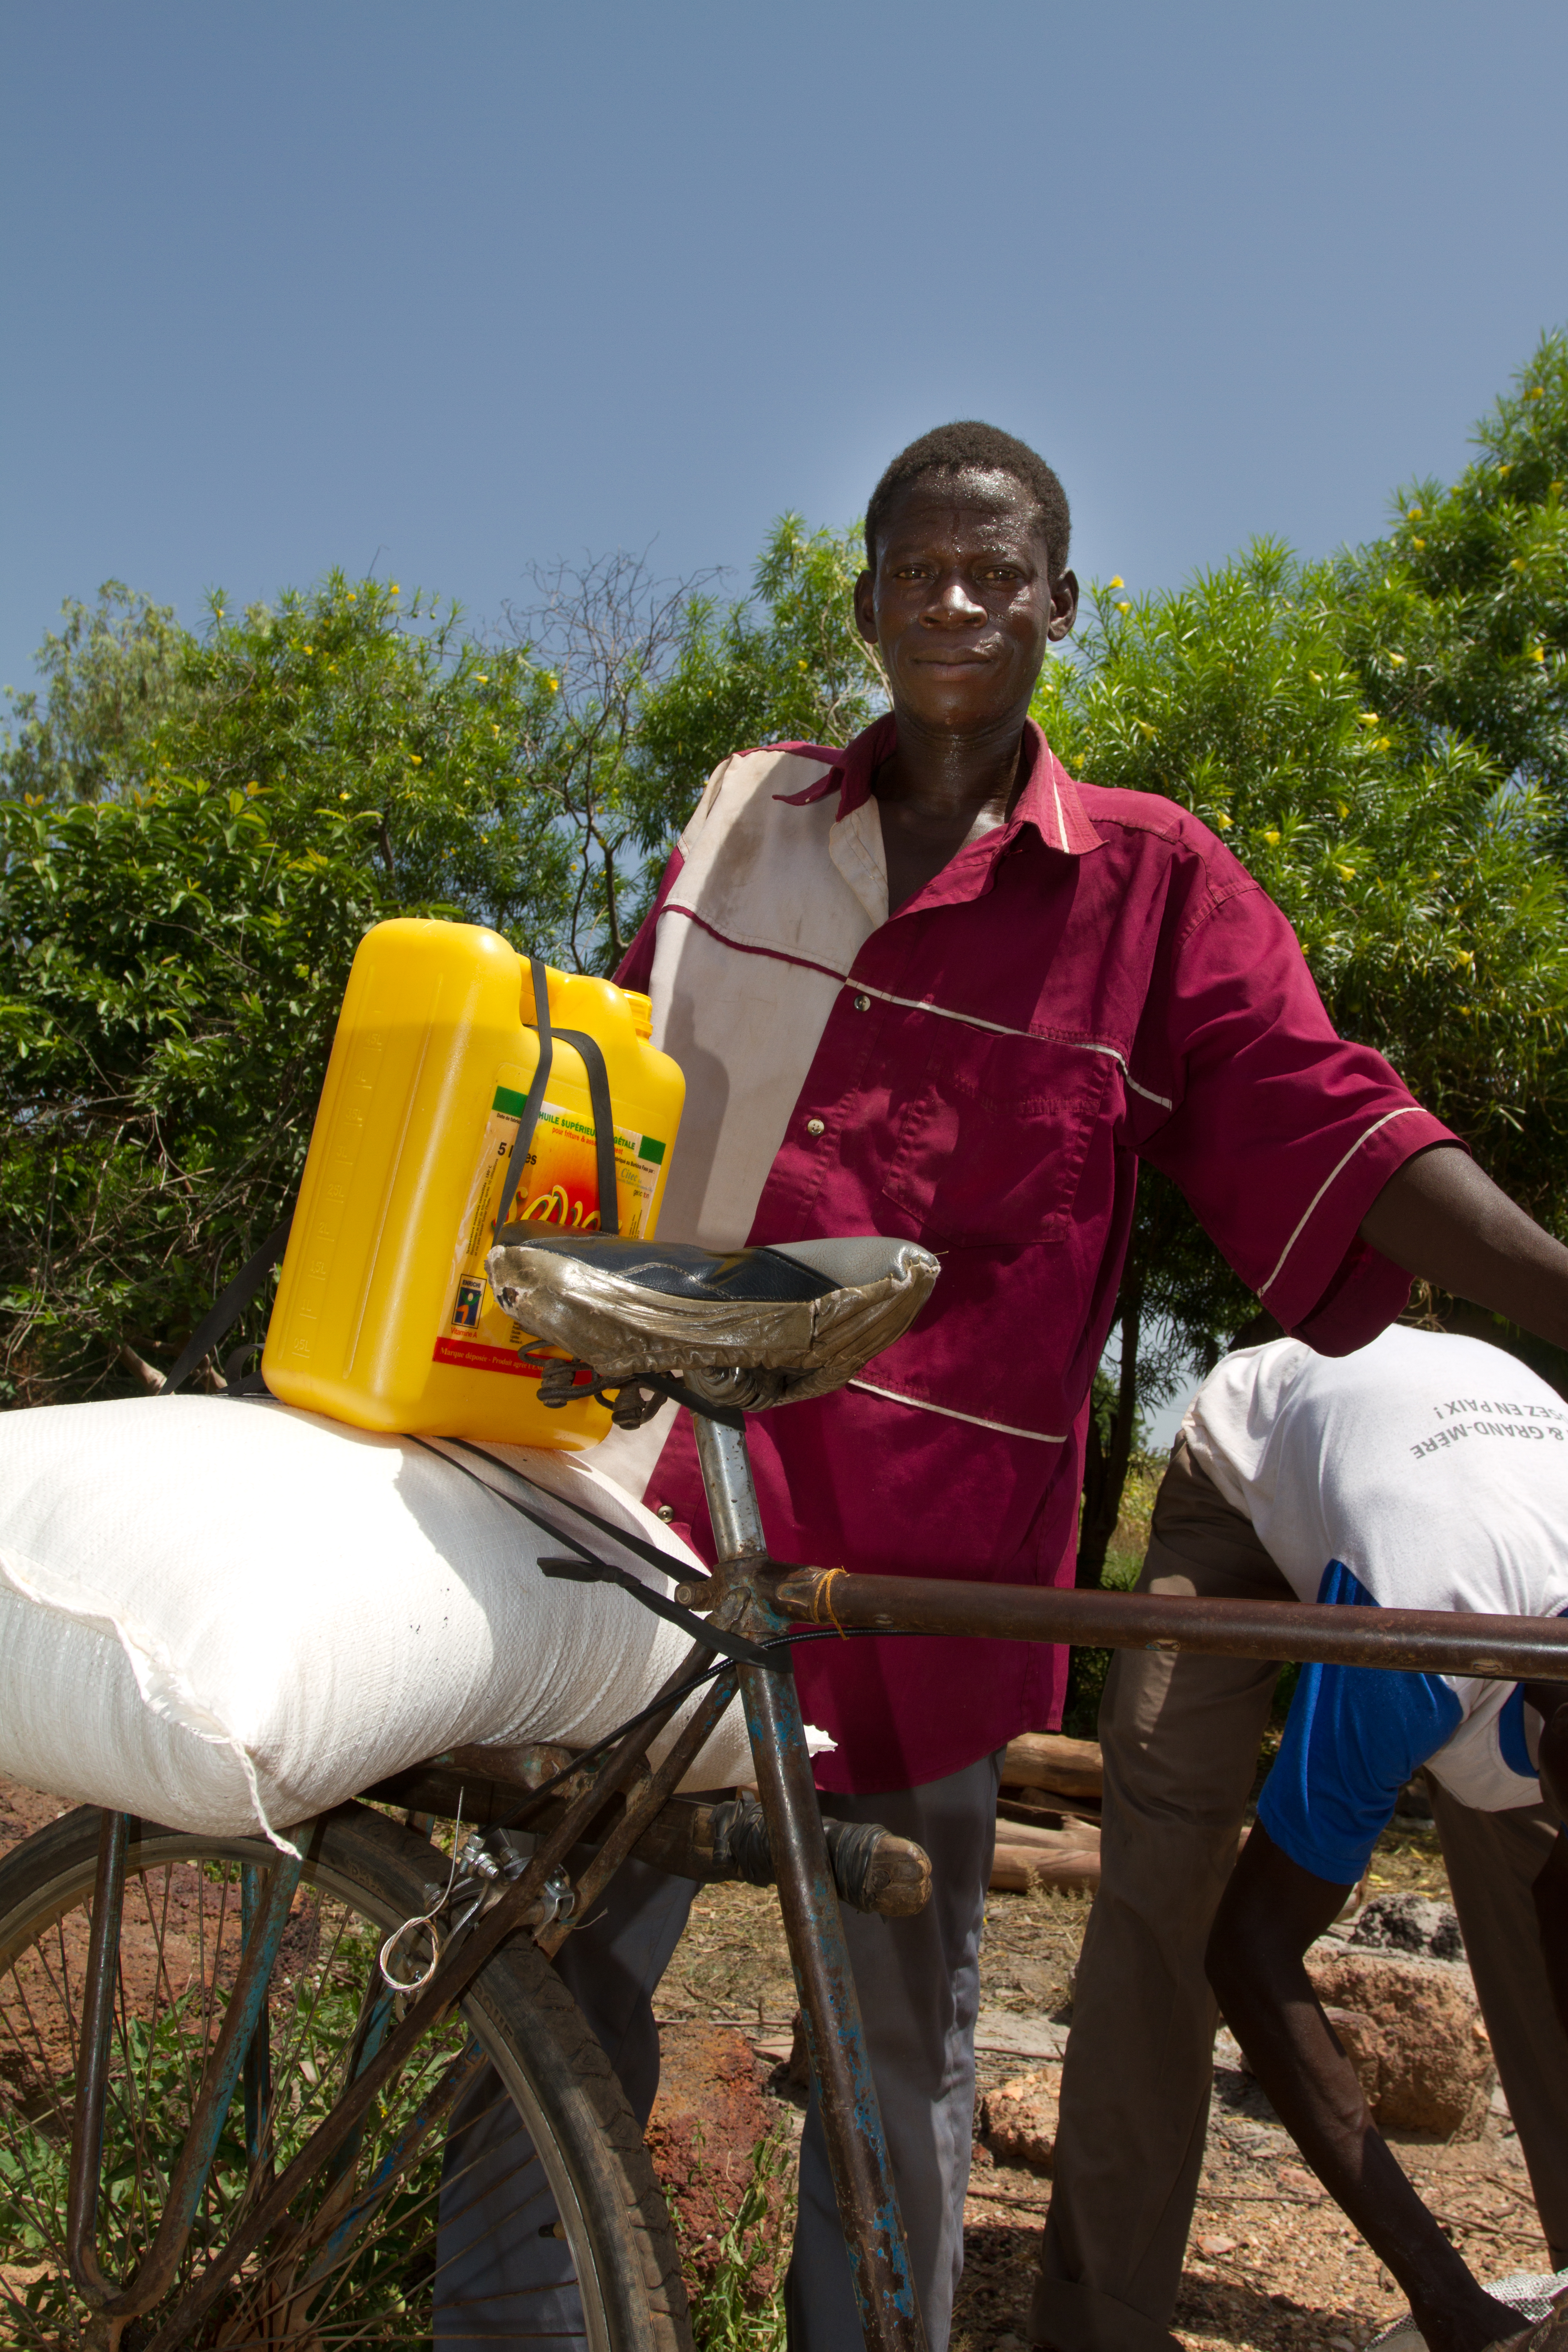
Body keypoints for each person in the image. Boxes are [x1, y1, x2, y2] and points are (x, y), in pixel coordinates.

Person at [439, 419, 1568, 2352]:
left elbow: (1333, 1120)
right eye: (918, 571)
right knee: (558, 1973)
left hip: (932, 1578)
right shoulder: (744, 832)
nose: (955, 603)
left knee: (894, 2064)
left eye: (998, 573)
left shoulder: (1151, 890)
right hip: (656, 1501)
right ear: (869, 603)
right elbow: (602, 1106)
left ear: (1061, 604)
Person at [1039, 1327, 1568, 2352]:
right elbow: (1253, 1955)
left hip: (1450, 1481)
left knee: (1534, 1875)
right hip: (1255, 1465)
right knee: (1173, 1883)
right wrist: (1448, 2300)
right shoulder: (1418, 1648)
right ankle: (1097, 2324)